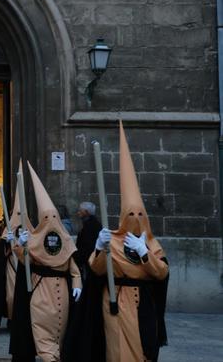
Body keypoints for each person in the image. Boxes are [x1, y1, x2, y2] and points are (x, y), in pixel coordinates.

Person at [69, 122, 169, 362]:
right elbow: (97, 269)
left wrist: (145, 253)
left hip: (143, 304)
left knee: (144, 349)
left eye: (140, 215)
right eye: (130, 215)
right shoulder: (112, 239)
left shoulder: (152, 243)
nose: (135, 219)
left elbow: (162, 273)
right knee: (117, 350)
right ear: (123, 218)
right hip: (114, 301)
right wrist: (100, 248)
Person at [10, 162, 82, 362]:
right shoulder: (33, 239)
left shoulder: (66, 241)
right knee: (42, 335)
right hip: (41, 293)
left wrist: (77, 285)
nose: (50, 219)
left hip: (63, 296)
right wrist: (19, 244)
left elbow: (74, 269)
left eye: (54, 216)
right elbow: (25, 260)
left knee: (60, 334)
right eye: (46, 217)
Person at [0, 161, 24, 330]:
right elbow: (1, 249)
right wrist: (6, 242)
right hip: (10, 265)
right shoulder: (8, 229)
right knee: (9, 295)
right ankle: (10, 317)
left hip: (24, 265)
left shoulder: (28, 227)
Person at [73, 201, 101, 277]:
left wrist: (78, 257)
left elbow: (87, 245)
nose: (78, 213)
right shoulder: (90, 224)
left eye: (80, 211)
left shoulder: (90, 226)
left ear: (86, 212)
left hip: (88, 259)